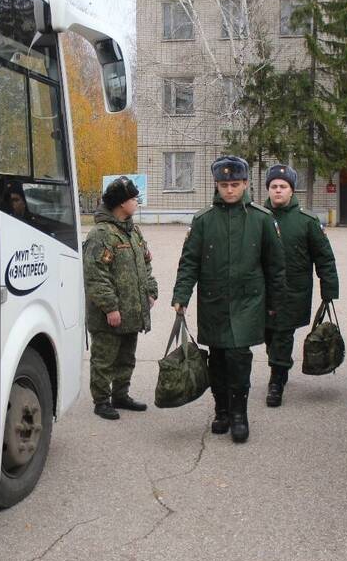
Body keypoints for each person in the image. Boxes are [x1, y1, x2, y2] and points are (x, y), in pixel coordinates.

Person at [172, 156, 285, 442]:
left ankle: (239, 414)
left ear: (246, 184)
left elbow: (275, 266)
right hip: (214, 301)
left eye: (235, 184)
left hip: (248, 302)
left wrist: (275, 303)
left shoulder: (261, 219)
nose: (230, 190)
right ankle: (221, 410)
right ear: (217, 185)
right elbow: (189, 263)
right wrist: (181, 296)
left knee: (239, 357)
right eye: (224, 185)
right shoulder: (203, 220)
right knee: (218, 359)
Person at [262, 164, 339, 407]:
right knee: (268, 334)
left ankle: (277, 379)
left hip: (293, 290)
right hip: (262, 290)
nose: (278, 191)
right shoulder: (257, 217)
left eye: (283, 187)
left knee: (283, 334)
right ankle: (278, 366)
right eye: (273, 186)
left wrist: (329, 290)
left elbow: (324, 257)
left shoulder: (306, 221)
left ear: (292, 190)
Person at [83, 176, 157, 420]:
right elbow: (96, 276)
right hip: (109, 315)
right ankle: (101, 401)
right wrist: (110, 307)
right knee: (104, 359)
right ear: (121, 203)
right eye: (133, 198)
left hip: (131, 310)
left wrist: (150, 291)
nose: (137, 202)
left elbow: (145, 263)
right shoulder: (101, 234)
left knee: (126, 356)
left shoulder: (133, 231)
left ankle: (121, 395)